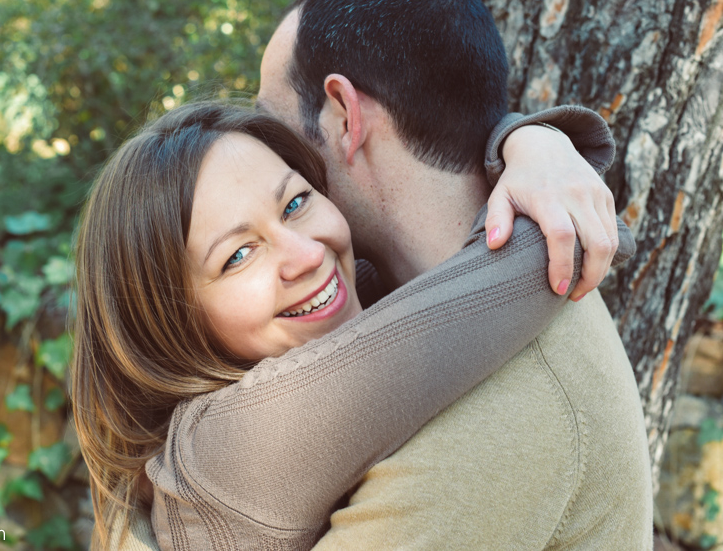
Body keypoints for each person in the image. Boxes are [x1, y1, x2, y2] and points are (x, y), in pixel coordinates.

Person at [70, 99, 635, 550]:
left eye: (294, 204)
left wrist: (526, 140)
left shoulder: (330, 312)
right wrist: (548, 155)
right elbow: (548, 252)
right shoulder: (229, 450)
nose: (307, 255)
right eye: (237, 256)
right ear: (172, 328)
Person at [254, 0, 652, 549]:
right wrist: (528, 137)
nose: (271, 160)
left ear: (344, 116)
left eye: (274, 126)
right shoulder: (412, 282)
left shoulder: (491, 427)